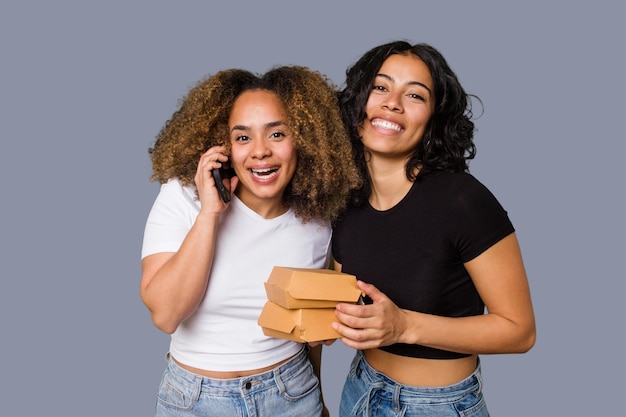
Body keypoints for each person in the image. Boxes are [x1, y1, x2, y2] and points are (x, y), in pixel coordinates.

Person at [330, 41, 536, 416]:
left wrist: (405, 326)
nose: (393, 102)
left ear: (433, 120)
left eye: (415, 95)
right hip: (359, 389)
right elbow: (335, 301)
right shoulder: (344, 198)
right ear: (358, 100)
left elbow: (520, 331)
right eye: (380, 87)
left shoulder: (462, 200)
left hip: (436, 405)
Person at [141, 66, 360, 417]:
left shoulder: (319, 221)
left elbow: (308, 329)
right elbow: (166, 314)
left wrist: (318, 401)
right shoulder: (184, 197)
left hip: (292, 393)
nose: (259, 151)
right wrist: (209, 215)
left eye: (277, 134)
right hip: (194, 401)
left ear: (304, 139)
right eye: (243, 138)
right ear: (224, 146)